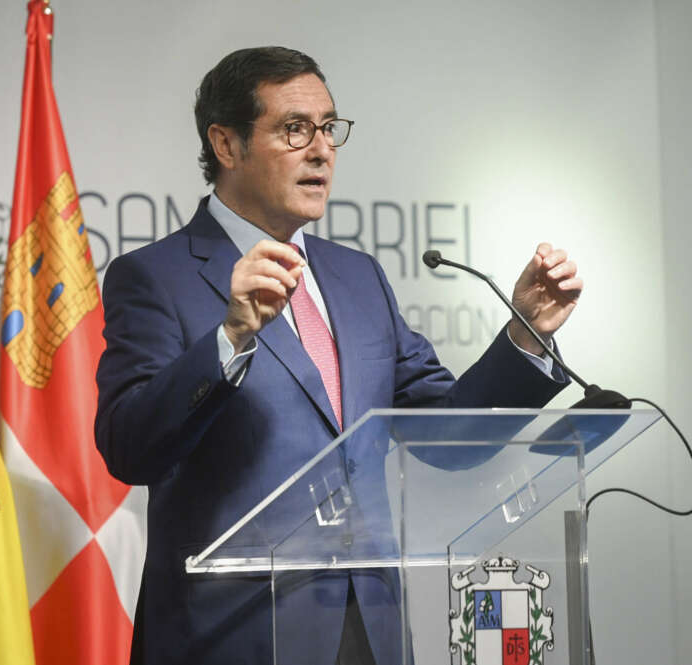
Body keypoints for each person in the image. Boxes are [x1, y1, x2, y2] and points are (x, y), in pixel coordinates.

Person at [94, 46, 581, 665]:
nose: (321, 149)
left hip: (367, 632)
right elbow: (130, 447)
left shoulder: (357, 278)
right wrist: (230, 338)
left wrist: (525, 336)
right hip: (232, 639)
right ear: (226, 144)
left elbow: (452, 436)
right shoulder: (155, 276)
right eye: (293, 129)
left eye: (328, 128)